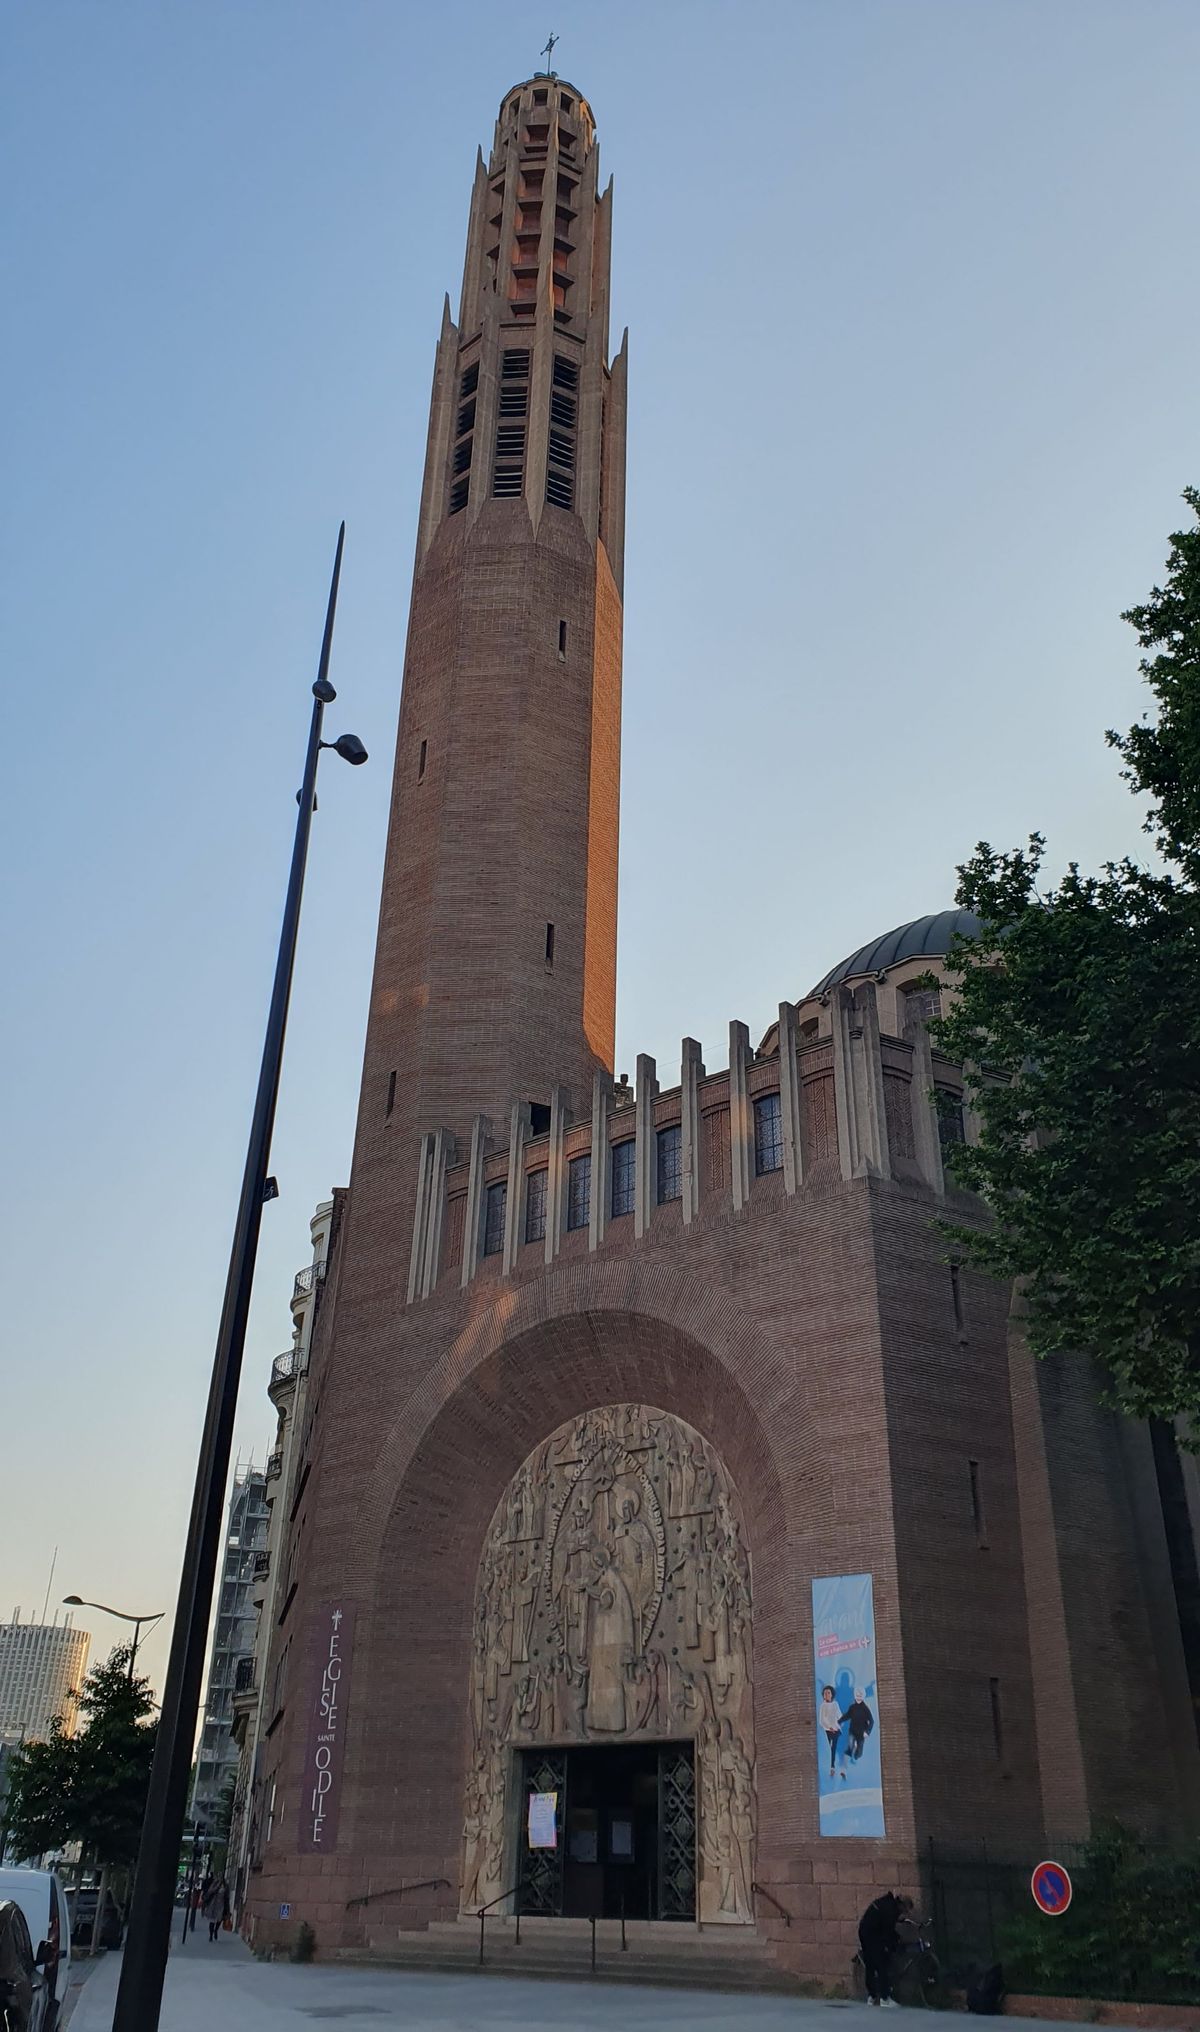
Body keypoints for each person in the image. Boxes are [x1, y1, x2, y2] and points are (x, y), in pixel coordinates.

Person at [858, 1890, 912, 2006]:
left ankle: (872, 1996)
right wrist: (895, 1943)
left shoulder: (886, 1903)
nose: (903, 1913)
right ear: (901, 1905)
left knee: (870, 1965)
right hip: (872, 1934)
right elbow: (888, 1931)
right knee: (882, 1965)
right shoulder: (891, 1910)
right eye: (905, 1910)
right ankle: (884, 1998)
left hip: (864, 1931)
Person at [842, 1687, 874, 1767]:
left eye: (860, 1695)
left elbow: (871, 1721)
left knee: (859, 1753)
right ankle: (847, 1759)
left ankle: (856, 1754)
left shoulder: (865, 1709)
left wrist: (867, 1732)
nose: (858, 1697)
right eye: (857, 1695)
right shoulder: (852, 1707)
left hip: (861, 1732)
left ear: (863, 1696)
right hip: (852, 1730)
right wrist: (839, 1721)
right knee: (850, 1746)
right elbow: (847, 1715)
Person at [818, 1684, 843, 1776]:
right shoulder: (823, 1706)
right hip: (828, 1731)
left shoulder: (835, 1704)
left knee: (836, 1747)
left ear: (832, 1694)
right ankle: (832, 1767)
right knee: (831, 1748)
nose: (827, 1694)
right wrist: (829, 1727)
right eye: (825, 1693)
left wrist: (840, 1723)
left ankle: (838, 1767)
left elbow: (839, 1716)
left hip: (836, 1730)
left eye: (828, 1693)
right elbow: (822, 1721)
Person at [202, 1875, 228, 1943]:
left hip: (221, 1904)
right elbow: (210, 1891)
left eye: (221, 1877)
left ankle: (216, 1930)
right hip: (213, 1904)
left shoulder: (225, 1885)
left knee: (219, 1919)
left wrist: (227, 1907)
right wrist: (217, 1885)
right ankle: (211, 1935)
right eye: (219, 1877)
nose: (220, 1878)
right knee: (212, 1920)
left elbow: (227, 1896)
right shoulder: (215, 1883)